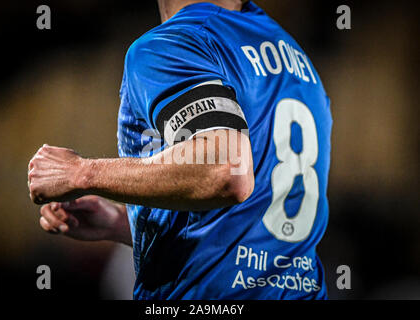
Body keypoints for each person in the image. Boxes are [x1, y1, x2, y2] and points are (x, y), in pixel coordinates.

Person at [28, 0, 332, 299]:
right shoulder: (292, 56)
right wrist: (126, 224)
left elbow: (226, 170)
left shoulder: (176, 41)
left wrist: (82, 173)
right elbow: (248, 218)